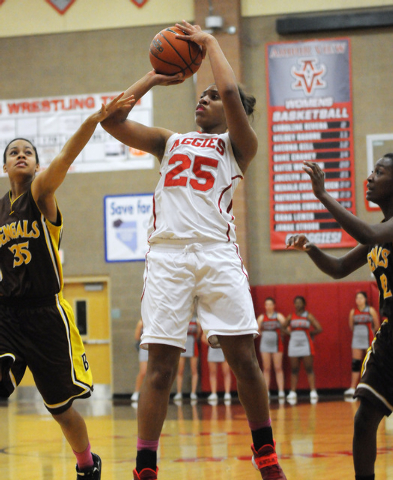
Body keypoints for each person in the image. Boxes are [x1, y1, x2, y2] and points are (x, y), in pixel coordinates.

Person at [101, 20, 286, 480]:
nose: (202, 99)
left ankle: (265, 454)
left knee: (244, 358)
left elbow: (226, 87)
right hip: (167, 256)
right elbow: (110, 120)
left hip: (218, 253)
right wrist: (153, 78)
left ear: (231, 110)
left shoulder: (238, 146)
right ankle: (146, 465)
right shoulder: (170, 140)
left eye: (211, 97)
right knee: (161, 367)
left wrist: (207, 42)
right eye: (198, 96)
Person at [0, 93, 132, 480]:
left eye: (28, 151)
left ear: (38, 163)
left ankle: (87, 465)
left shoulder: (41, 195)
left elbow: (66, 160)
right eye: (13, 152)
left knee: (60, 409)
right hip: (7, 313)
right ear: (5, 165)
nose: (21, 155)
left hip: (46, 316)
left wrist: (93, 120)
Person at [286, 155, 393, 480]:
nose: (370, 177)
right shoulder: (377, 235)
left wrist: (323, 195)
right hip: (388, 336)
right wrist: (311, 249)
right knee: (364, 420)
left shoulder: (381, 231)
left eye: (379, 172)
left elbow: (368, 232)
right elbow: (338, 268)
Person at [283, 296, 323, 402]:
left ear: (304, 304)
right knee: (294, 369)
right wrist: (289, 333)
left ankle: (313, 391)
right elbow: (282, 327)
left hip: (306, 344)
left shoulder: (308, 316)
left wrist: (310, 333)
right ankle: (292, 392)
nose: (298, 304)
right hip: (294, 345)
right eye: (296, 302)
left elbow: (319, 328)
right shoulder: (291, 316)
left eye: (300, 302)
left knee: (309, 368)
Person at [344, 292, 379, 397]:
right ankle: (352, 387)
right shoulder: (353, 312)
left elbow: (377, 326)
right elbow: (351, 326)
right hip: (357, 339)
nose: (358, 300)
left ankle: (373, 387)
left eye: (360, 298)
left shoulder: (370, 310)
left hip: (368, 338)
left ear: (365, 299)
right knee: (356, 363)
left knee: (370, 363)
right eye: (357, 298)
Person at [257, 297, 286, 399]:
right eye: (266, 304)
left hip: (277, 344)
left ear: (274, 305)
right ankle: (266, 391)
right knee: (266, 368)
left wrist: (280, 333)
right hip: (265, 345)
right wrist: (264, 334)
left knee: (278, 368)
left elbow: (287, 328)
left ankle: (281, 391)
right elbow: (256, 331)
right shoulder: (261, 318)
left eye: (270, 304)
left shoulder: (279, 317)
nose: (268, 306)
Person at [174, 312, 201, 402]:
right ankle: (178, 393)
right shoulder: (181, 319)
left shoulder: (196, 320)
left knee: (194, 370)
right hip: (183, 345)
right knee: (180, 370)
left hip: (193, 345)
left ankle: (193, 393)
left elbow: (199, 334)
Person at [202, 332, 232, 403]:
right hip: (213, 349)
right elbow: (203, 338)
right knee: (213, 373)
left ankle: (227, 394)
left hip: (224, 349)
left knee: (226, 372)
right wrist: (212, 344)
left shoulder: (224, 326)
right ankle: (213, 393)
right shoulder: (210, 327)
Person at [132, 319, 148, 402]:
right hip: (144, 347)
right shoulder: (141, 322)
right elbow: (136, 337)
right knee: (143, 372)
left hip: (154, 348)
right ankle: (136, 392)